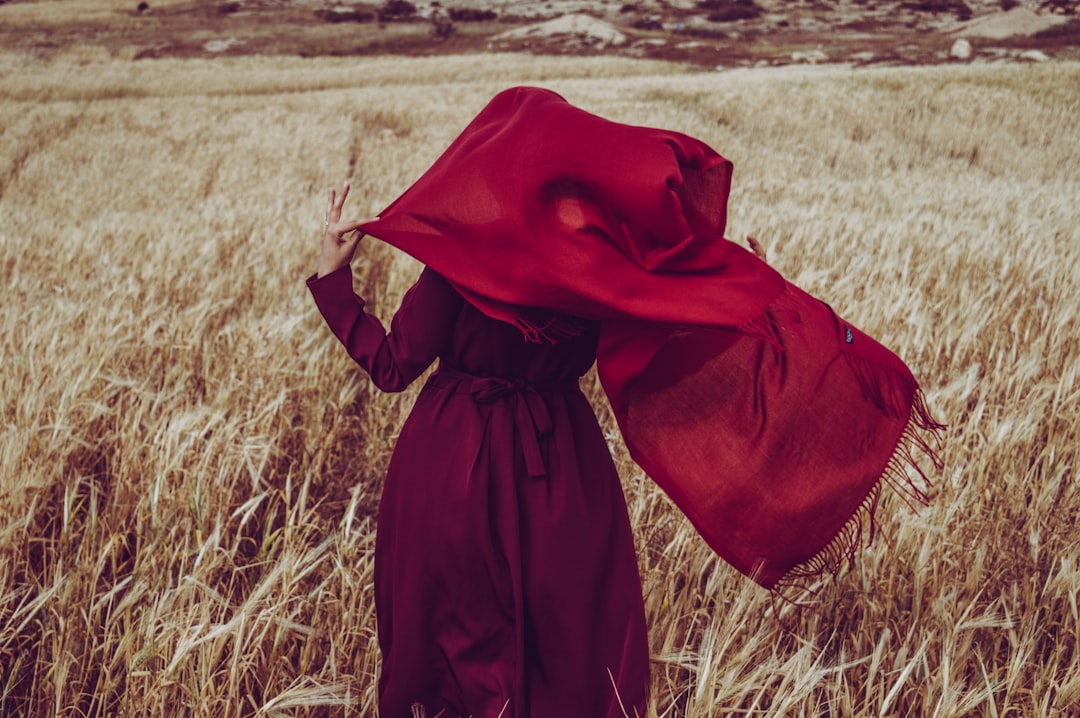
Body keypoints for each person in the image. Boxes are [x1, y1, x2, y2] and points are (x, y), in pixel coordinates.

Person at [308, 87, 943, 718]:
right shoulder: (597, 271)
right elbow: (679, 329)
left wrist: (336, 282)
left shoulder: (458, 264)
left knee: (454, 626)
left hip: (450, 465)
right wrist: (738, 288)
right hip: (559, 468)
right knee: (571, 630)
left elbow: (392, 366)